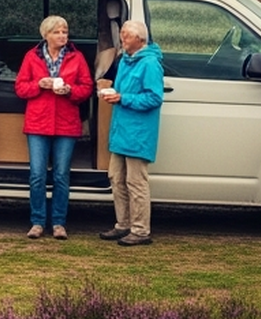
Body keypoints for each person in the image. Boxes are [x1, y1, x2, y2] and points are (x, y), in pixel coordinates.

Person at [14, 15, 93, 239]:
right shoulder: (32, 56)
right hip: (38, 123)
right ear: (46, 35)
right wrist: (38, 85)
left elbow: (86, 87)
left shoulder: (77, 57)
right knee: (37, 175)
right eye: (57, 32)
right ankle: (37, 222)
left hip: (66, 123)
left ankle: (59, 223)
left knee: (61, 175)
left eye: (65, 32)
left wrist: (70, 91)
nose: (62, 36)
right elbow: (20, 88)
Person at [98, 19, 165, 246]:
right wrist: (112, 92)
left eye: (126, 36)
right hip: (122, 129)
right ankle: (123, 224)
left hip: (138, 131)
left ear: (140, 39)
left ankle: (140, 229)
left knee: (136, 181)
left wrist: (122, 98)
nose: (122, 39)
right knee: (117, 178)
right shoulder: (126, 60)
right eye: (122, 35)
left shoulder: (150, 64)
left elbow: (155, 97)